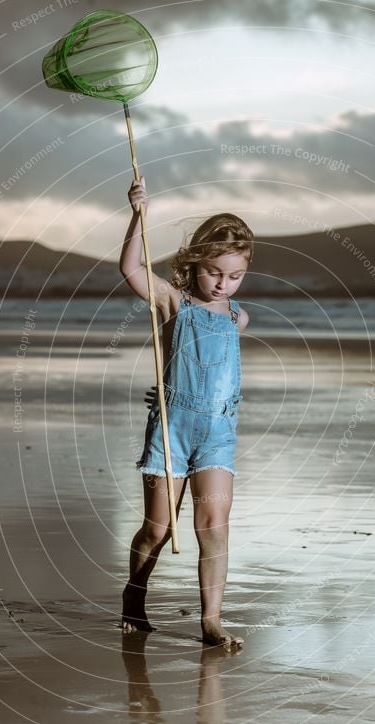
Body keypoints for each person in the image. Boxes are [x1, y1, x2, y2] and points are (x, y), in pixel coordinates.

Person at [119, 175, 253, 647]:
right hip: (172, 431)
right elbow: (131, 267)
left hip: (218, 434)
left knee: (214, 525)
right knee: (157, 529)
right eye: (215, 271)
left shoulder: (238, 318)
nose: (223, 283)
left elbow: (221, 379)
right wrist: (139, 214)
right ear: (196, 263)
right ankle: (134, 596)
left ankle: (211, 620)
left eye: (235, 275)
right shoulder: (174, 301)